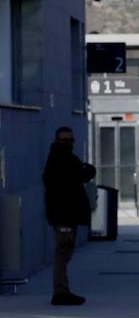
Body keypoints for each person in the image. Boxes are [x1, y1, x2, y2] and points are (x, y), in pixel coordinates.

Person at [42, 126, 96, 306]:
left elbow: (86, 172)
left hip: (67, 215)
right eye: (64, 140)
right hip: (63, 216)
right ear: (58, 141)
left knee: (65, 253)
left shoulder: (66, 159)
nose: (68, 143)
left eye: (70, 140)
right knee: (63, 252)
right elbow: (82, 173)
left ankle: (62, 291)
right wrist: (82, 169)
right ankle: (60, 292)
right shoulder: (59, 160)